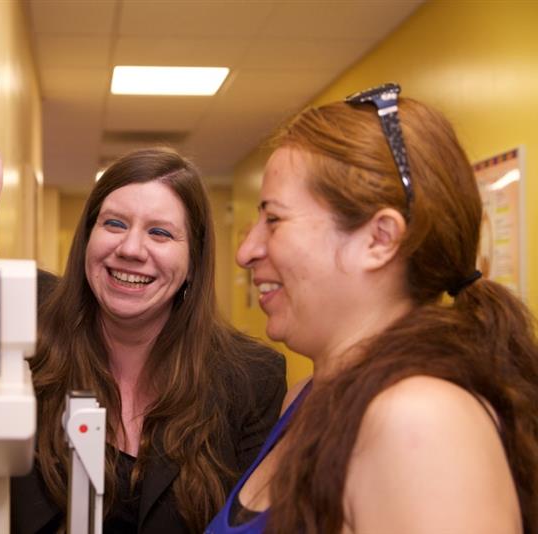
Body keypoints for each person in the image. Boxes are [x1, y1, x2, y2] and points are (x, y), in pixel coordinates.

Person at [205, 84, 538, 534]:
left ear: (379, 239)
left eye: (274, 219)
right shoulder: (306, 400)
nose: (246, 251)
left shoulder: (420, 423)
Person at [0, 144, 288, 533]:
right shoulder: (23, 310)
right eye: (114, 224)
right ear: (87, 237)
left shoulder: (251, 377)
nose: (130, 249)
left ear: (193, 261)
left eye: (160, 233)